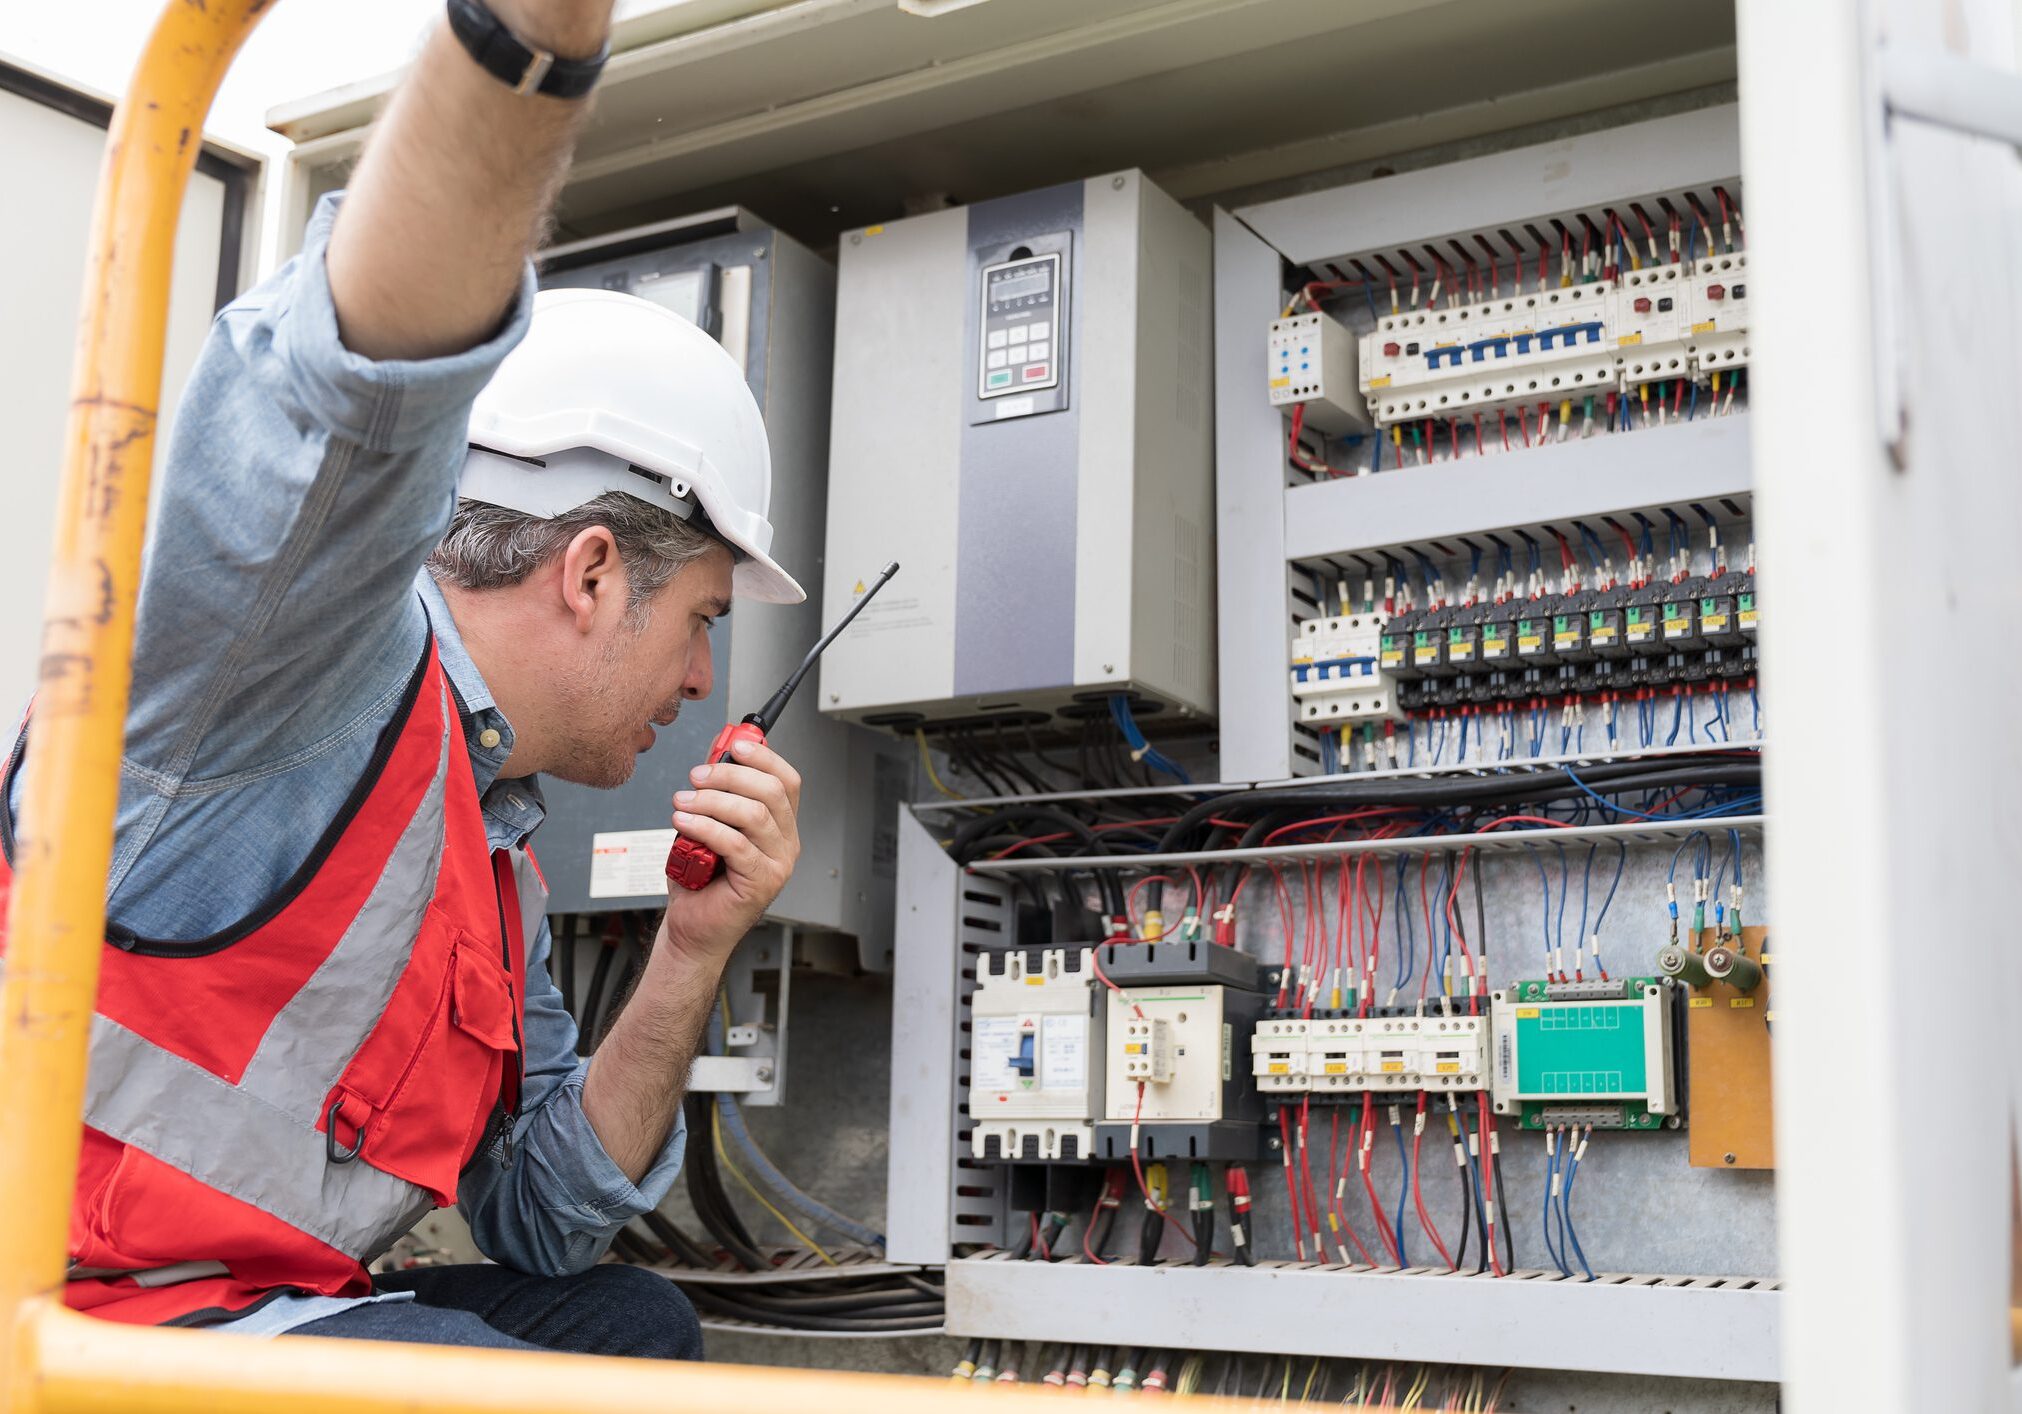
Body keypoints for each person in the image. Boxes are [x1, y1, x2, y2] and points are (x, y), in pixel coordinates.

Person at [0, 0, 804, 1358]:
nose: (702, 677)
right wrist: (529, 45)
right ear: (594, 570)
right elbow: (358, 397)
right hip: (72, 1311)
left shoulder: (490, 855)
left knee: (624, 1323)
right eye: (701, 617)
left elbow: (543, 1219)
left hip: (247, 1306)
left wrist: (690, 950)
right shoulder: (302, 670)